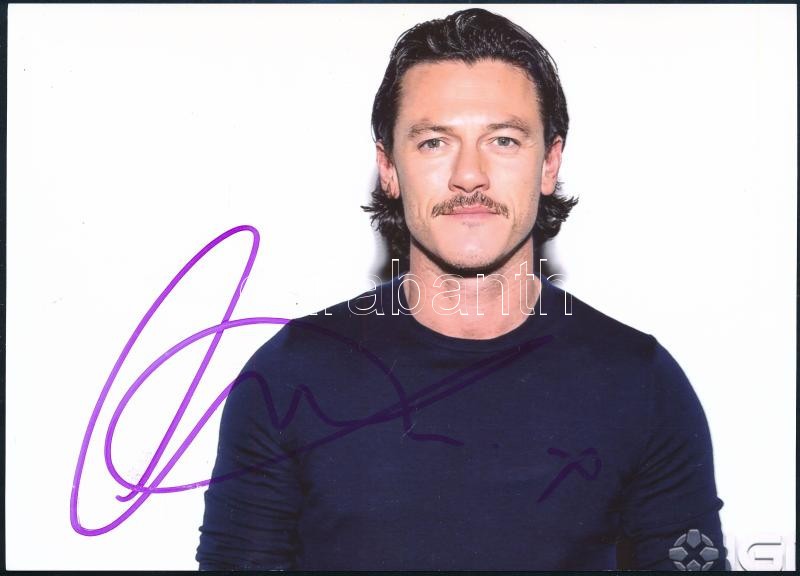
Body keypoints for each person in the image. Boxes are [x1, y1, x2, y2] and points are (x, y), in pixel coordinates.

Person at [196, 8, 726, 570]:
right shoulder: (290, 375)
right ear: (388, 167)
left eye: (503, 140)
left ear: (549, 163)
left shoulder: (640, 382)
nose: (469, 175)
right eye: (434, 142)